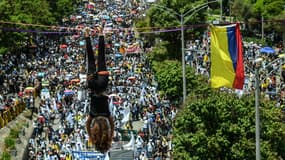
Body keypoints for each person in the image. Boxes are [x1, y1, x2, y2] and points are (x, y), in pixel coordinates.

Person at [84, 27, 114, 153]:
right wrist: (90, 136)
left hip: (102, 85)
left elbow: (112, 124)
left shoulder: (106, 119)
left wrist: (111, 135)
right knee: (90, 58)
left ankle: (101, 33)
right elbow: (87, 124)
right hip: (92, 86)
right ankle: (87, 35)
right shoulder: (93, 116)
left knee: (101, 57)